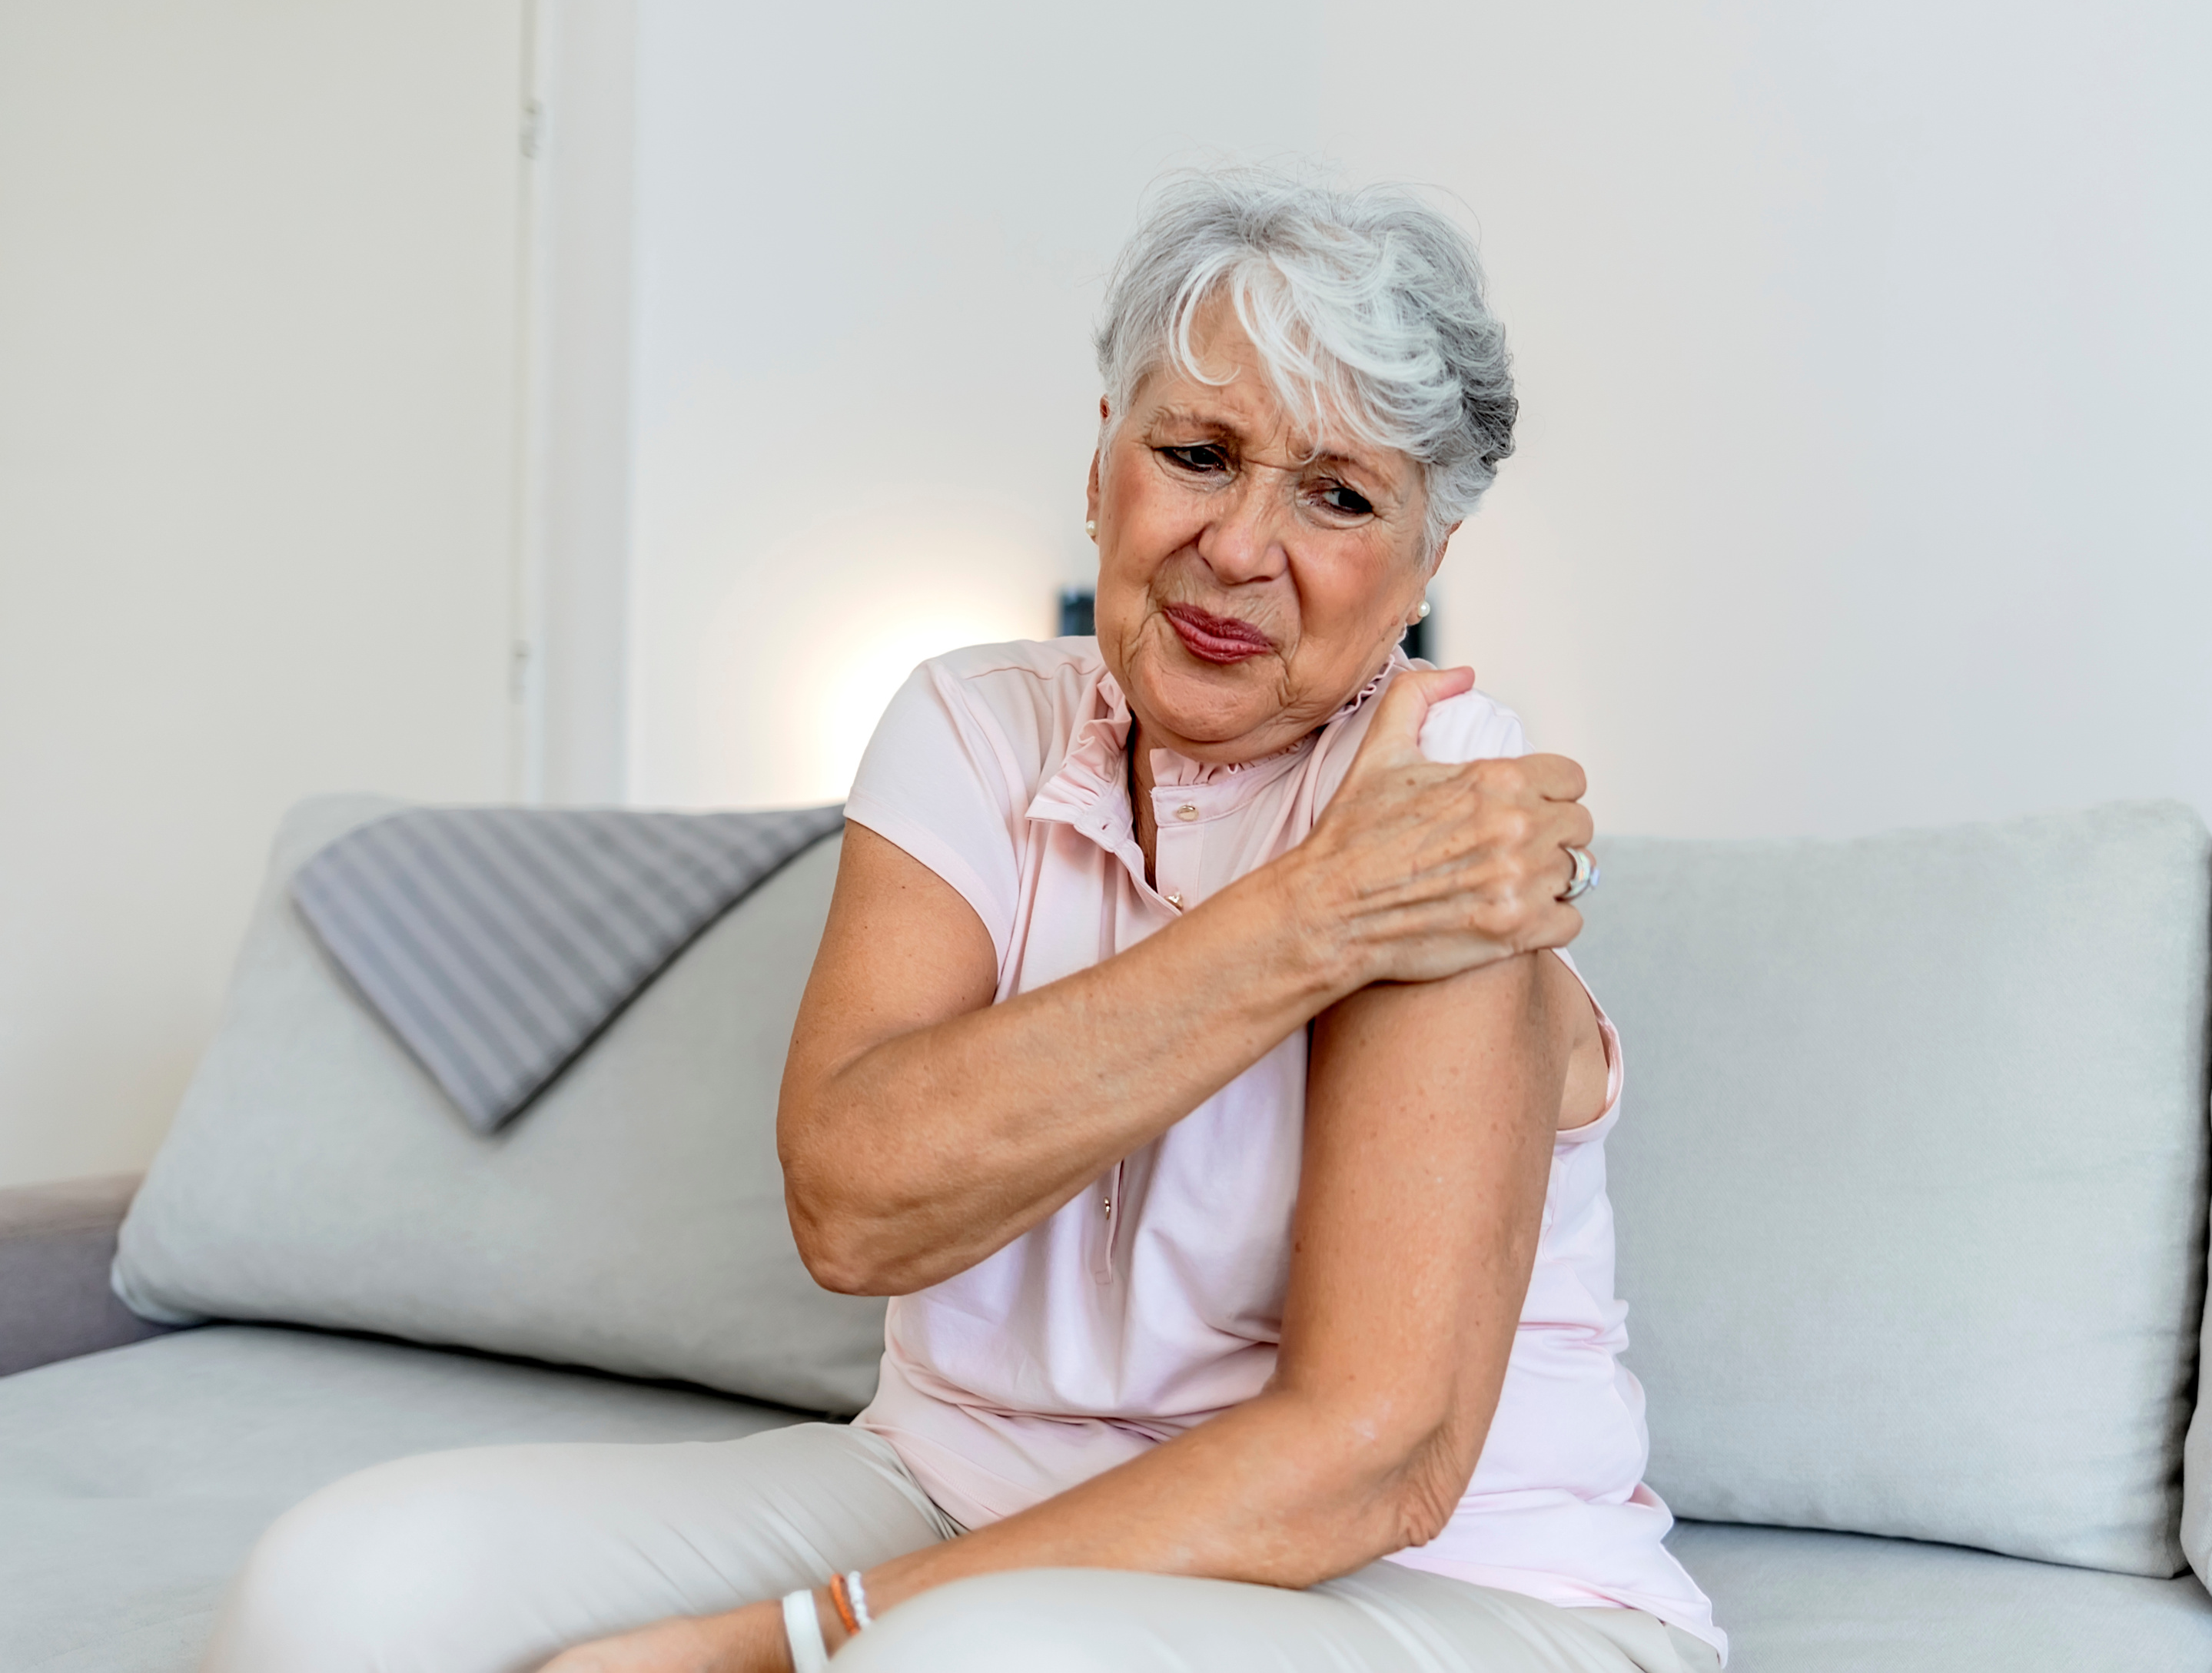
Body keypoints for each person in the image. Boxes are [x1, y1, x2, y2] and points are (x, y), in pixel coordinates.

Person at [203, 170, 1722, 1673]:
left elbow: (1371, 1459)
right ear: (1099, 467)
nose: (1242, 548)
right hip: (951, 1490)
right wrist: (1310, 919)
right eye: (1196, 454)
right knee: (347, 1591)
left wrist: (772, 1641)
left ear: (1425, 564)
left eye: (1336, 497)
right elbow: (855, 1209)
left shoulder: (1447, 807)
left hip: (1442, 1586)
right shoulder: (969, 724)